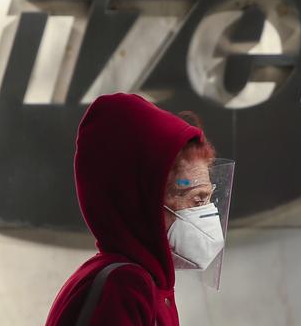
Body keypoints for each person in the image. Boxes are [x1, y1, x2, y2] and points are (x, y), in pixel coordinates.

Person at [45, 92, 231, 325]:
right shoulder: (124, 287)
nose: (208, 214)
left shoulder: (143, 284)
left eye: (208, 198)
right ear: (144, 203)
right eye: (197, 200)